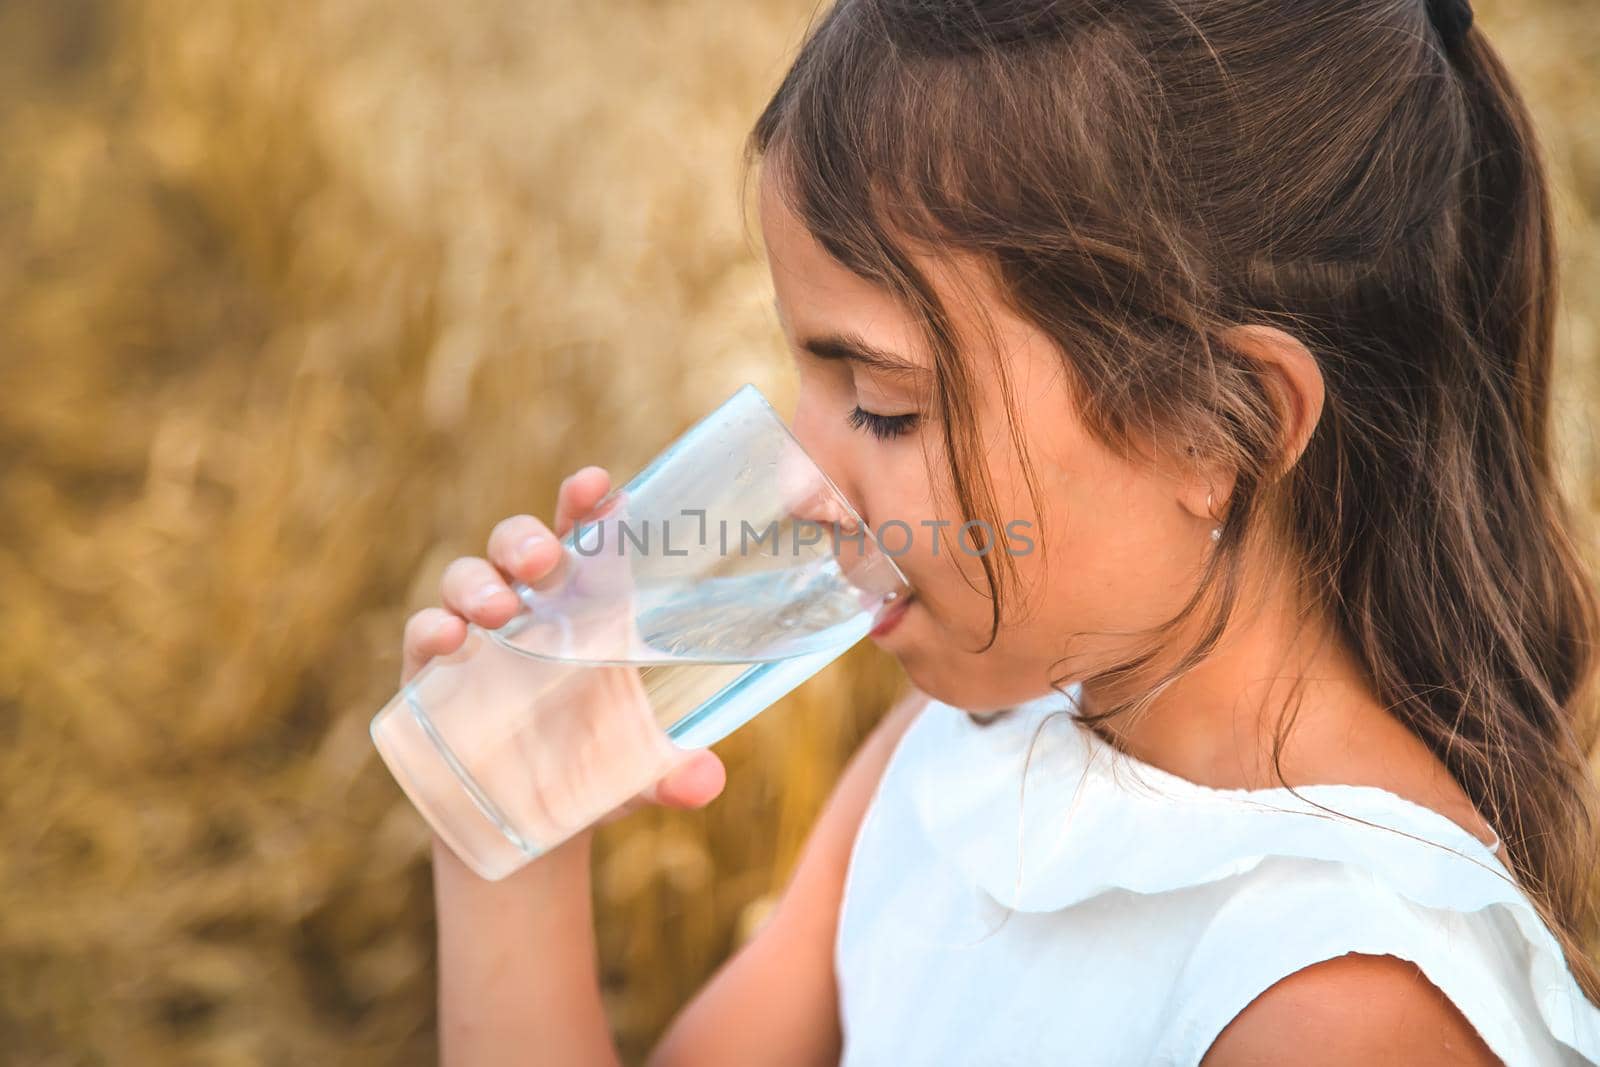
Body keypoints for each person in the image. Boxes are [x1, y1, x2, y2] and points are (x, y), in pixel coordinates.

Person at [399, 0, 1600, 1063]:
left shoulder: (1338, 1000)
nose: (807, 475)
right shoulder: (967, 750)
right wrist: (512, 822)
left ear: (1212, 428)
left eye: (882, 403)